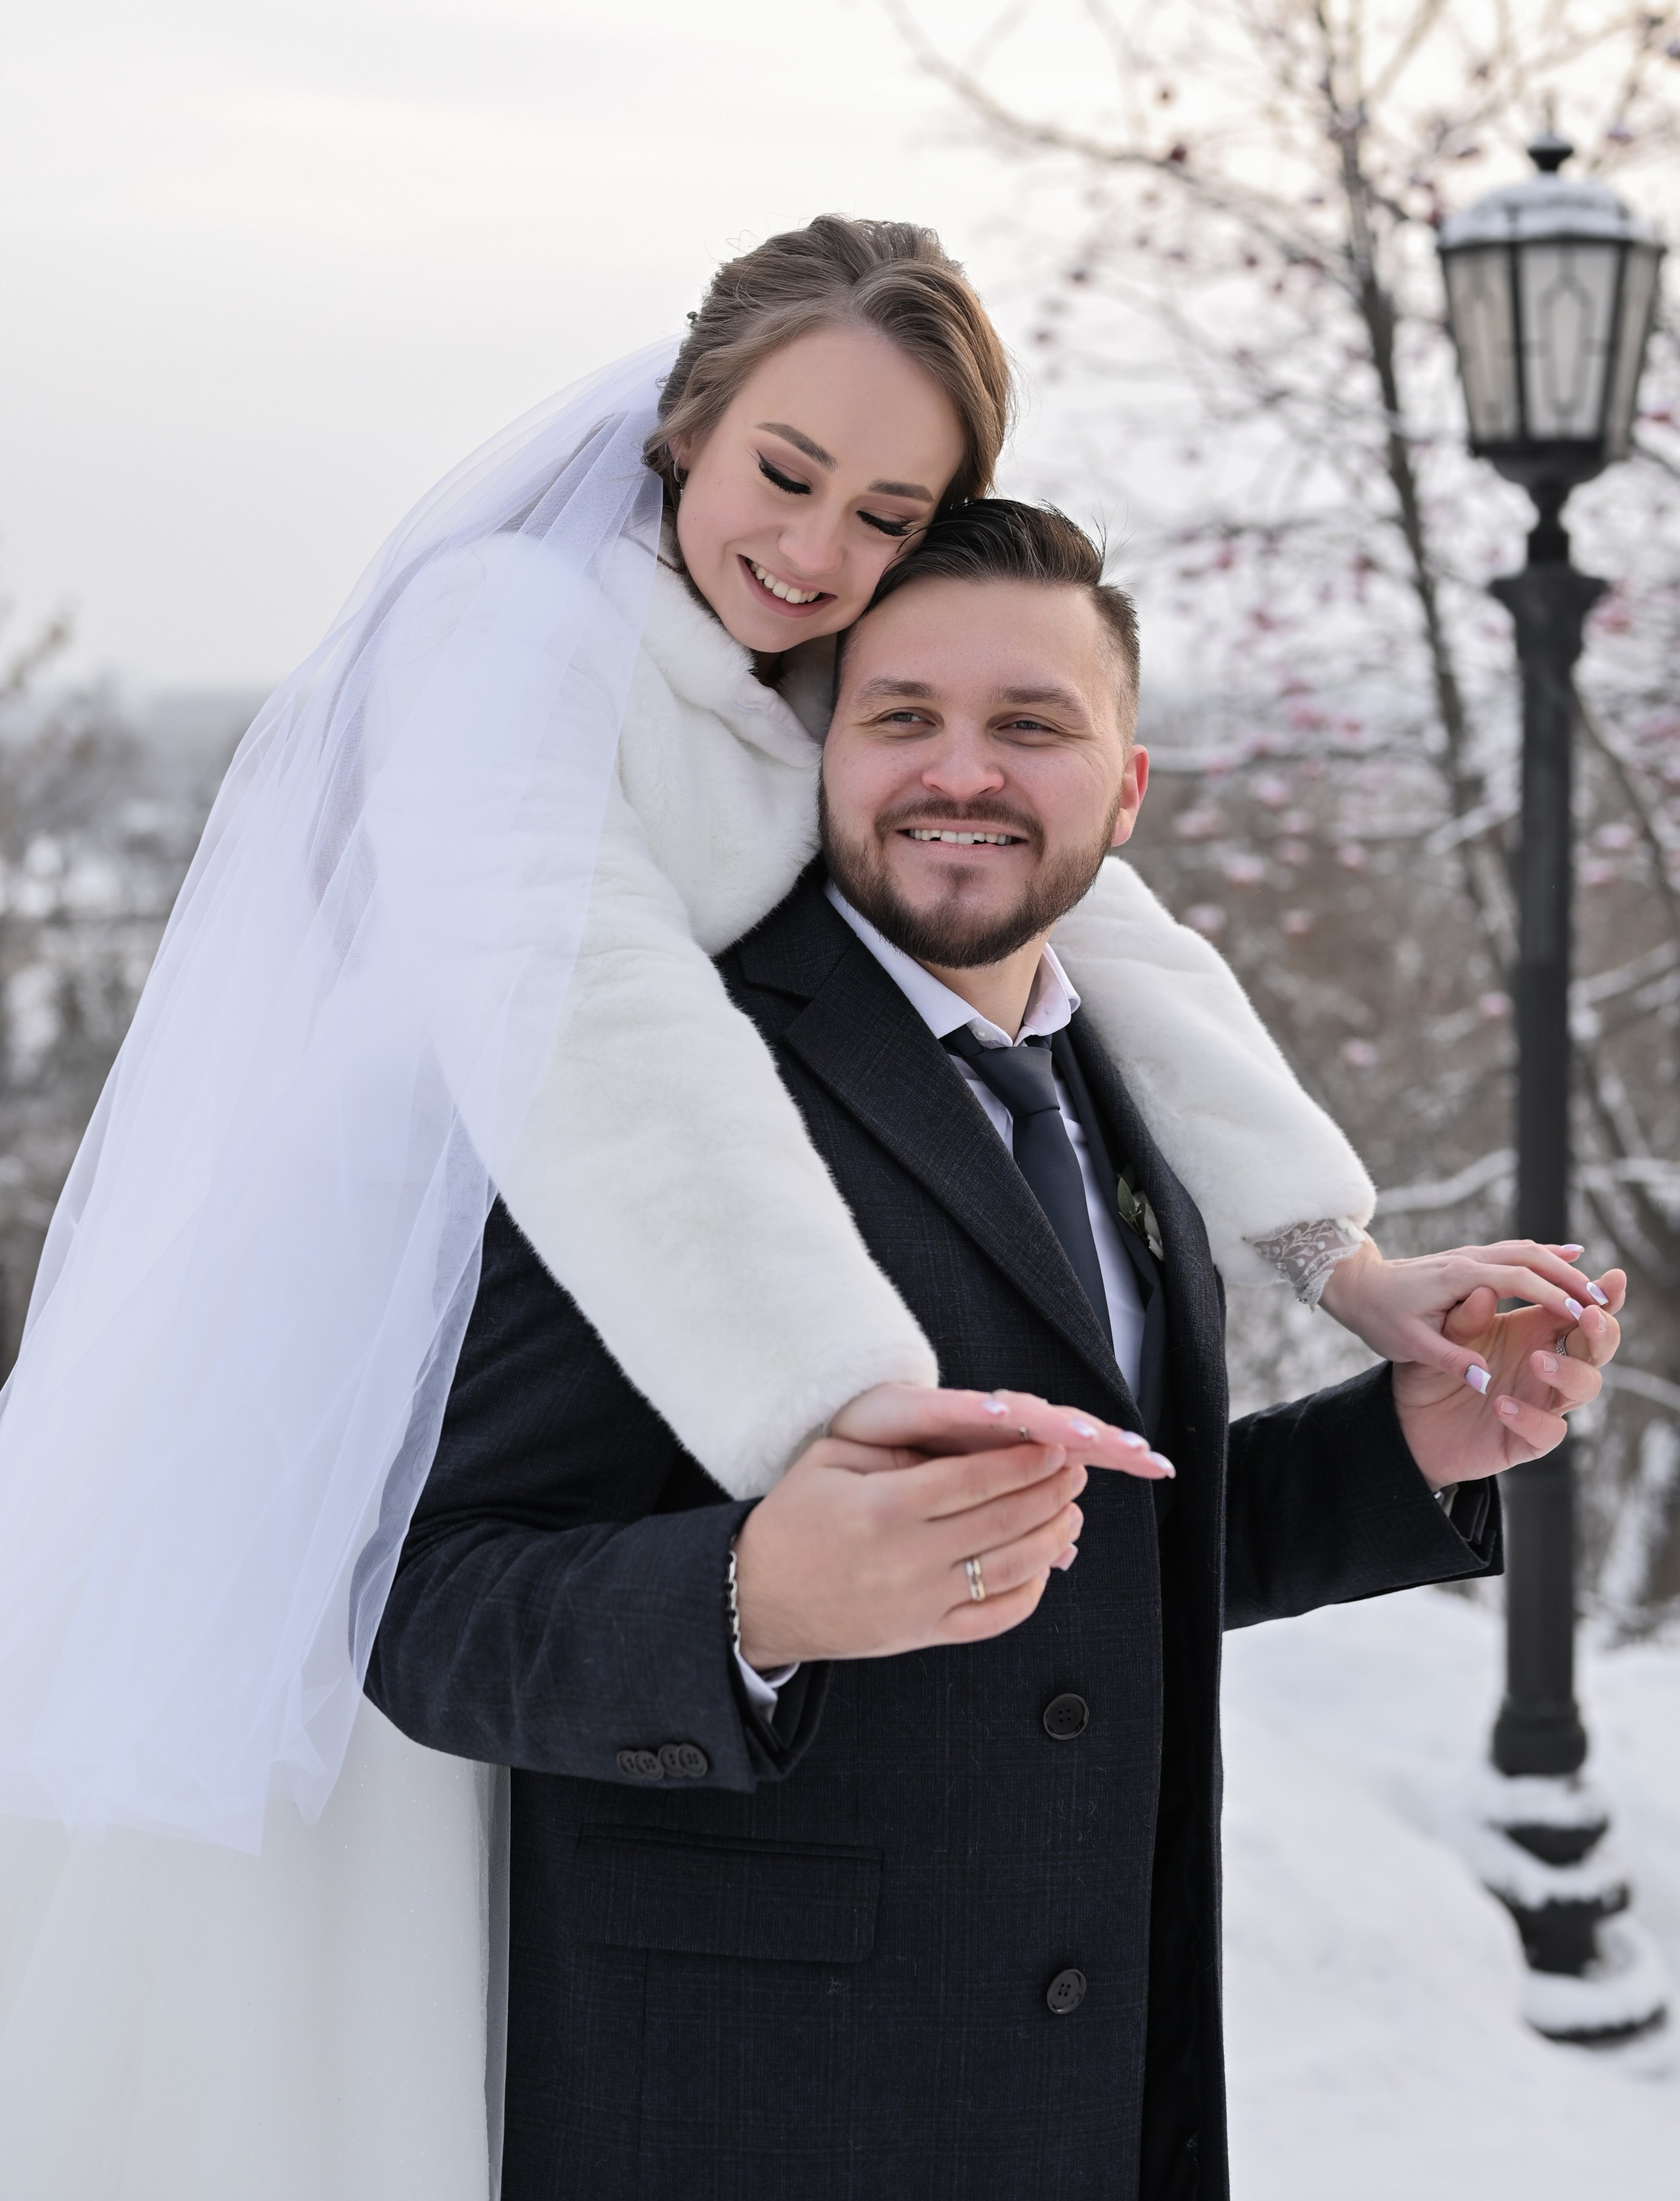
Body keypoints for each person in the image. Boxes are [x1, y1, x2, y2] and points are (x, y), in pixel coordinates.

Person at [0, 220, 1610, 2195]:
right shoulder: (520, 668)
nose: (815, 543)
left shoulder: (1062, 1041)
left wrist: (1373, 1339)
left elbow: (1071, 1499)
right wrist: (807, 1477)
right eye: (785, 473)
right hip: (725, 2082)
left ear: (1122, 786)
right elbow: (577, 1093)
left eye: (886, 510)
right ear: (686, 427)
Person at [366, 499, 1621, 2200]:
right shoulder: (657, 1079)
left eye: (1029, 724)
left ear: (1126, 788)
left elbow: (1074, 1544)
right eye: (902, 717)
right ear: (824, 750)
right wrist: (753, 1604)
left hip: (1087, 2110)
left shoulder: (1129, 1093)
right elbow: (431, 1607)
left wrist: (1407, 1448)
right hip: (749, 2125)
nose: (959, 771)